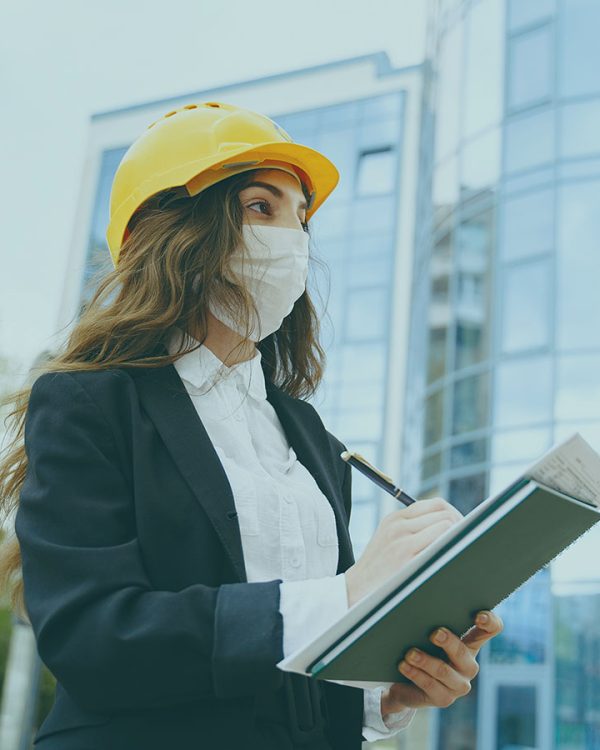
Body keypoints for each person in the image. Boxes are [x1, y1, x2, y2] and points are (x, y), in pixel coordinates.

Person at [0, 101, 503, 749]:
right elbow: (94, 637)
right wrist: (348, 592)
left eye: (300, 219)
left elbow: (294, 665)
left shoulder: (313, 437)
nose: (290, 239)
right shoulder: (87, 403)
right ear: (174, 231)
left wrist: (391, 690)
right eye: (260, 207)